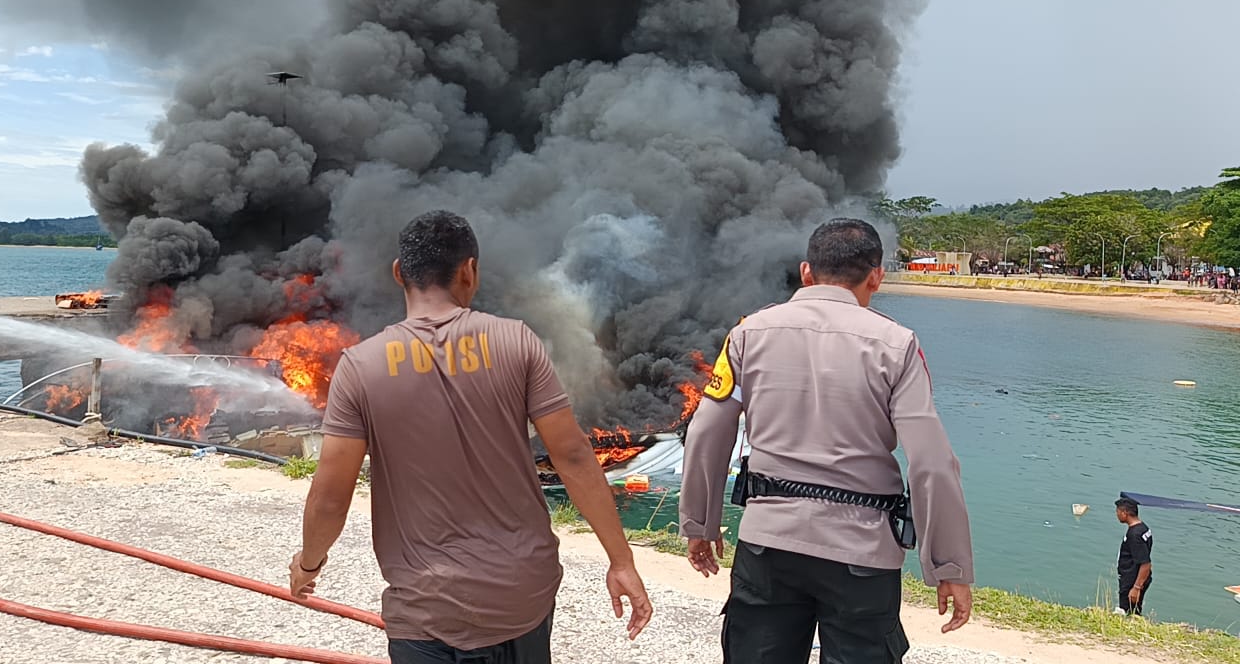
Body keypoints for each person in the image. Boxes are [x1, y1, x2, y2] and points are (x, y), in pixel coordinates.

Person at [288, 210, 652, 663]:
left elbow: (330, 495)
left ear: (399, 273)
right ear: (470, 270)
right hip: (523, 596)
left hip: (426, 609)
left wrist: (309, 563)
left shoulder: (361, 366)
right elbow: (574, 457)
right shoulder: (517, 342)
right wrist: (621, 560)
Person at [679, 218, 975, 664]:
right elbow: (931, 463)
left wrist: (699, 524)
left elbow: (706, 431)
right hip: (863, 552)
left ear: (806, 272)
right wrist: (948, 566)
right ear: (877, 275)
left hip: (768, 545)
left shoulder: (747, 334)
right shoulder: (897, 345)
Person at [1114, 497, 1153, 616]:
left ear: (1124, 513)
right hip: (1136, 577)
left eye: (1118, 512)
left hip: (1133, 579)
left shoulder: (1134, 535)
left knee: (1129, 612)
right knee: (1134, 609)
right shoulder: (1143, 528)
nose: (1117, 515)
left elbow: (1145, 563)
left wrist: (1136, 588)